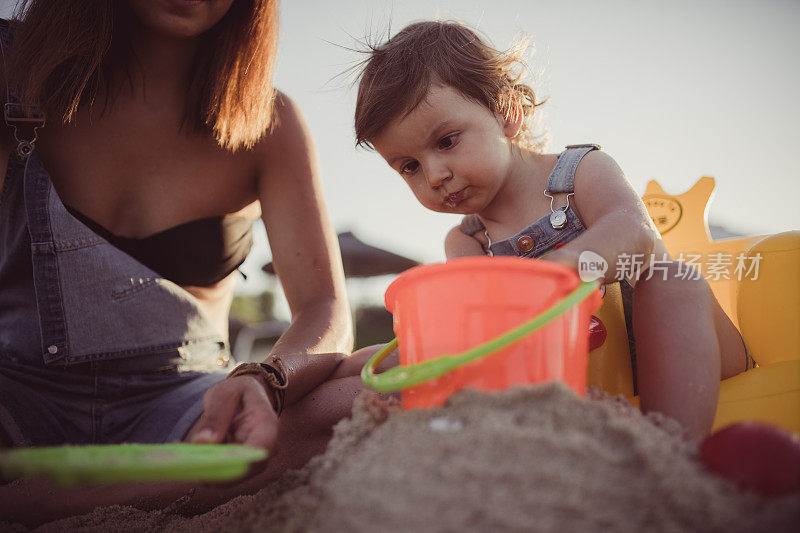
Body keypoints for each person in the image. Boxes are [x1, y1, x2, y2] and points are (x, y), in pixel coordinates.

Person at [0, 0, 380, 524]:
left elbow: (325, 307)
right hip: (18, 391)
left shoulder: (268, 122)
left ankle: (38, 501)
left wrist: (264, 380)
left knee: (373, 385)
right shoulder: (17, 71)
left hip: (187, 409)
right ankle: (136, 488)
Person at [353, 20, 749, 440]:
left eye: (447, 141)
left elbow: (636, 231)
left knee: (672, 279)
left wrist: (564, 268)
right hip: (580, 372)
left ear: (507, 113)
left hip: (675, 343)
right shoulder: (467, 242)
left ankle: (674, 454)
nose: (434, 175)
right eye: (409, 167)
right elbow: (481, 331)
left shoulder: (581, 172)